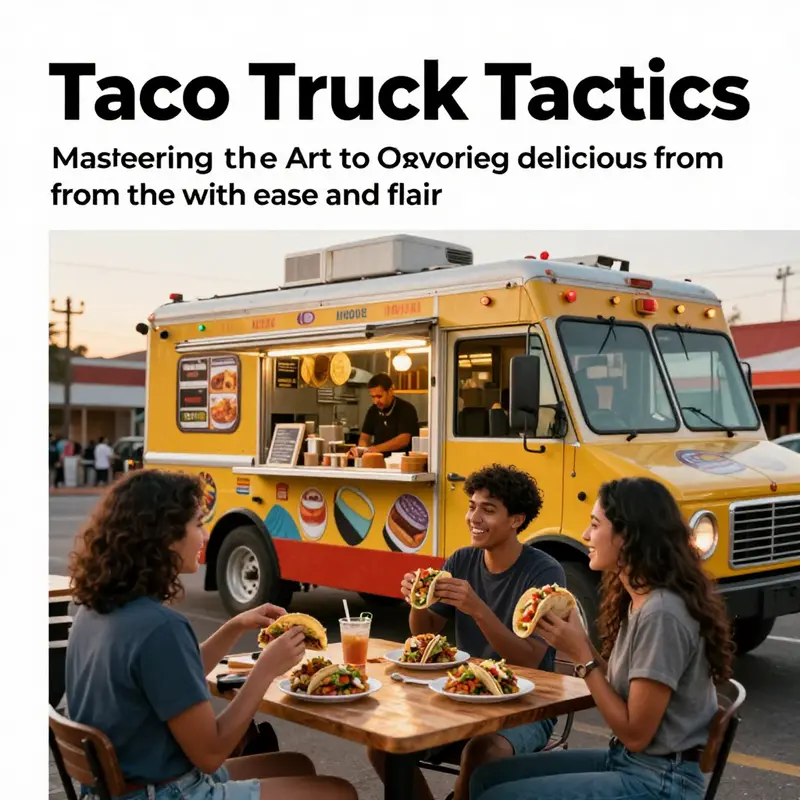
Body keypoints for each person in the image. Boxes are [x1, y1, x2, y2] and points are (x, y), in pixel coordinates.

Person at [66, 469, 357, 800]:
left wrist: (234, 626)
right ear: (164, 538)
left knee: (296, 764)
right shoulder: (160, 629)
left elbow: (170, 678)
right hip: (164, 792)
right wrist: (265, 670)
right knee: (339, 792)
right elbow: (211, 753)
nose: (205, 537)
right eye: (197, 524)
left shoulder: (94, 612)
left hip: (121, 788)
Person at [470, 476, 735, 800]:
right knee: (485, 778)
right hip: (629, 762)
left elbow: (636, 734)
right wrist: (581, 643)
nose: (585, 535)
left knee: (497, 796)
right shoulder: (640, 599)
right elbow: (625, 688)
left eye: (595, 525)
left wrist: (581, 656)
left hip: (660, 782)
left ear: (627, 536)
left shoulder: (662, 614)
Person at [368, 464, 566, 800]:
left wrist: (477, 608)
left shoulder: (545, 571)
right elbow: (425, 633)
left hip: (527, 704)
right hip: (462, 696)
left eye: (488, 510)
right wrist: (418, 597)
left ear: (516, 520)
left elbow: (530, 659)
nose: (474, 517)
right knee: (382, 746)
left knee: (482, 753)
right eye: (472, 506)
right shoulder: (461, 560)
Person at [349, 373, 419, 457]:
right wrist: (360, 450)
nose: (375, 401)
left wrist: (375, 449)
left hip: (402, 462)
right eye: (373, 397)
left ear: (390, 391)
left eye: (379, 396)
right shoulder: (373, 410)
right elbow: (365, 437)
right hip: (378, 461)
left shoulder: (406, 409)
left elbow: (403, 440)